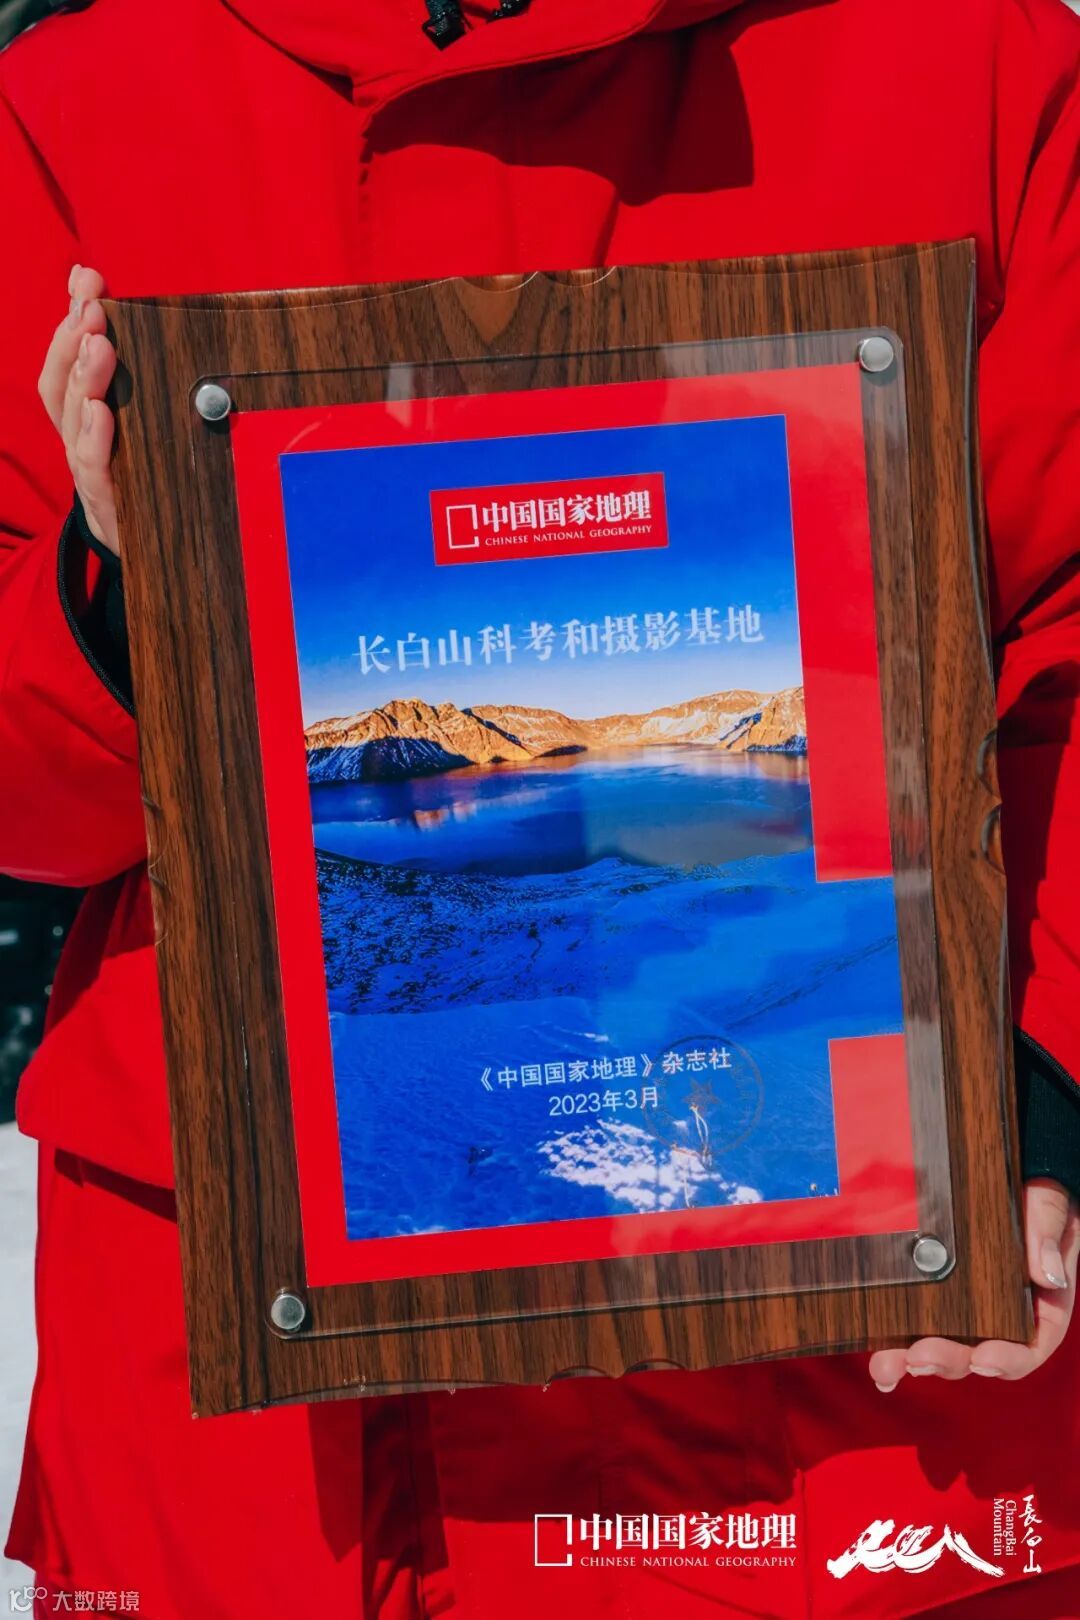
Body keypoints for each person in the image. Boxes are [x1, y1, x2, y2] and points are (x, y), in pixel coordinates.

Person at [3, 0, 1080, 1615]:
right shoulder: (79, 109)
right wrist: (114, 599)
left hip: (858, 1406)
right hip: (267, 1456)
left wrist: (1045, 1081)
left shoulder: (964, 57)